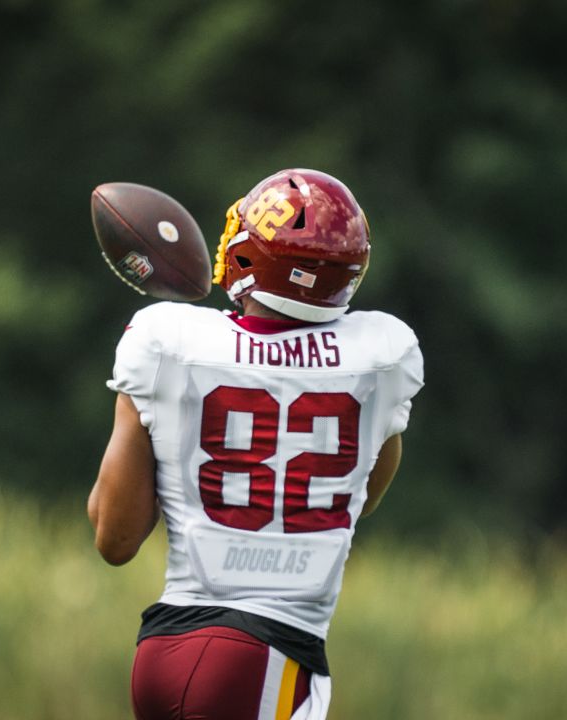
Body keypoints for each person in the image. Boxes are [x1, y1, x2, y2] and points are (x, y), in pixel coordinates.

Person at [88, 168, 424, 720]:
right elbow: (362, 497)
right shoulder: (384, 356)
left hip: (165, 649)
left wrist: (139, 403)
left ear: (249, 256)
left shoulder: (167, 342)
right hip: (263, 654)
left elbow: (114, 538)